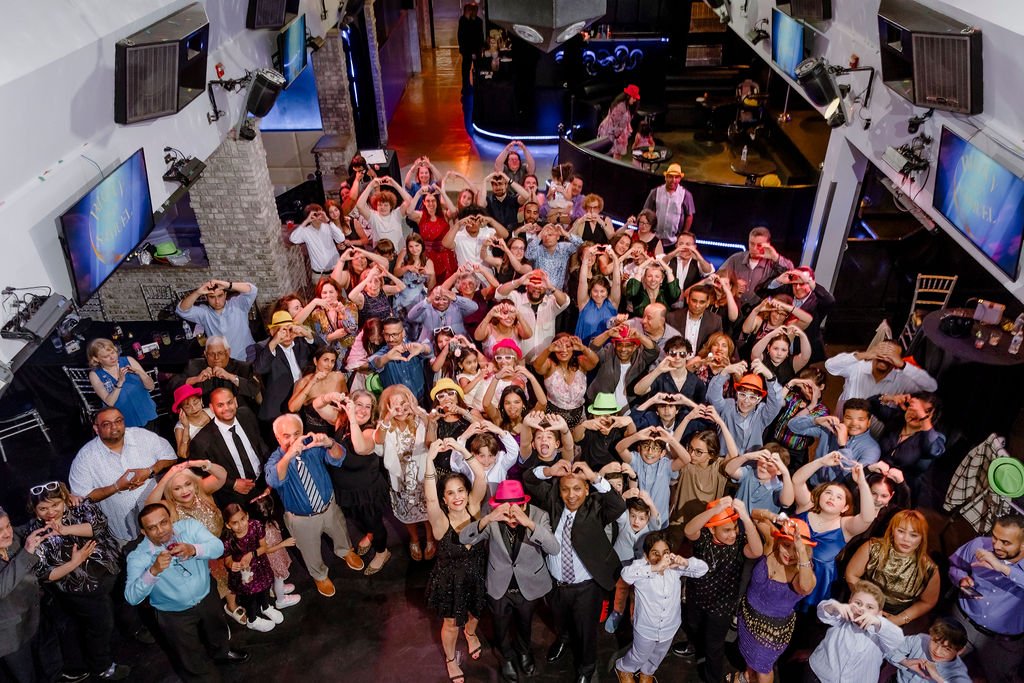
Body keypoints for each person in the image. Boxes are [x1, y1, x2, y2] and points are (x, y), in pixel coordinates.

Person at [523, 460, 626, 683]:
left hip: (586, 586)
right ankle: (564, 639)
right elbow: (529, 479)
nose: (571, 495)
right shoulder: (553, 501)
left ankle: (586, 668)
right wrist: (549, 471)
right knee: (560, 620)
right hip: (555, 583)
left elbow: (619, 506)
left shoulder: (596, 507)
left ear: (587, 489)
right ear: (558, 491)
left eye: (577, 488)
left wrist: (595, 477)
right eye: (565, 489)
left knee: (586, 631)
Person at [125, 503, 248, 681]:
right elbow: (131, 597)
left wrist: (194, 549)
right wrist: (153, 572)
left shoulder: (189, 527)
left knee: (217, 631)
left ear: (171, 520)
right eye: (152, 528)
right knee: (189, 654)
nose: (160, 530)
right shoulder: (138, 556)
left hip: (207, 596)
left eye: (164, 522)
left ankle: (222, 653)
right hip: (174, 613)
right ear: (144, 532)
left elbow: (218, 547)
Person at [23, 482, 129, 681]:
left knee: (120, 609)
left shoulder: (79, 506)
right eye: (43, 508)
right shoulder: (35, 534)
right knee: (101, 627)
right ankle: (102, 666)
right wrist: (75, 562)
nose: (50, 512)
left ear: (63, 500)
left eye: (55, 505)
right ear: (34, 510)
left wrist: (64, 529)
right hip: (81, 590)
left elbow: (98, 526)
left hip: (111, 570)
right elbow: (45, 574)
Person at [460, 479, 558, 682]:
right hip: (499, 584)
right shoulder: (492, 515)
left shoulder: (539, 515)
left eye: (516, 510)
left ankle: (523, 652)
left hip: (528, 584)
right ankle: (506, 657)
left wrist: (529, 523)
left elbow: (553, 548)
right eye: (506, 511)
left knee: (525, 623)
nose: (511, 517)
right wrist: (487, 519)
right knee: (500, 625)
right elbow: (465, 538)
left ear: (524, 504)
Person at [265, 414, 364, 598]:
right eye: (286, 436)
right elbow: (273, 479)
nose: (293, 440)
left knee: (341, 532)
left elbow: (338, 459)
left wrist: (330, 444)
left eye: (297, 434)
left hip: (329, 507)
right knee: (310, 551)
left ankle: (345, 551)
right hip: (302, 520)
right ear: (278, 438)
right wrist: (289, 455)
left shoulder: (312, 445)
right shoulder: (275, 460)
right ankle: (320, 575)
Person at [144, 460, 244, 626]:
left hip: (224, 544)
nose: (184, 491)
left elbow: (222, 475)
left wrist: (200, 463)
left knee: (234, 581)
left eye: (187, 484)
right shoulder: (170, 508)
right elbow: (149, 505)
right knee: (214, 593)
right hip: (201, 558)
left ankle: (232, 606)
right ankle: (220, 620)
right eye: (177, 488)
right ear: (170, 491)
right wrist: (169, 474)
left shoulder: (202, 491)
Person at [423, 442, 489, 683]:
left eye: (461, 490)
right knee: (451, 623)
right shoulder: (440, 522)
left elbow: (480, 475)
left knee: (476, 612)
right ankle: (451, 659)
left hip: (478, 574)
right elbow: (430, 499)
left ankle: (470, 633)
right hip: (451, 580)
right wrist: (430, 459)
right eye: (451, 493)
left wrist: (462, 449)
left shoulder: (474, 508)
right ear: (444, 498)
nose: (457, 496)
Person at [680, 498, 762, 682]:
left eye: (734, 528)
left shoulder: (739, 543)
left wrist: (746, 519)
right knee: (693, 626)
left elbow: (757, 551)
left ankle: (713, 678)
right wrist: (715, 509)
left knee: (714, 646)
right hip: (696, 597)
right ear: (711, 528)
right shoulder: (703, 538)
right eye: (726, 530)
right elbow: (688, 530)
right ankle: (695, 648)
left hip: (722, 605)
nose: (732, 534)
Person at [68, 407, 177, 543]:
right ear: (96, 429)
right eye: (106, 424)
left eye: (118, 421)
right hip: (126, 530)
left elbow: (170, 456)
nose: (114, 427)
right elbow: (82, 497)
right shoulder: (85, 458)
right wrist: (116, 487)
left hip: (161, 521)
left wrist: (150, 470)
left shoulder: (142, 436)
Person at [613, 532, 709, 683]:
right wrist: (655, 568)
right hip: (646, 627)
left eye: (665, 553)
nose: (660, 557)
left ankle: (647, 673)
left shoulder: (675, 568)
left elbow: (703, 569)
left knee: (658, 655)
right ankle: (624, 668)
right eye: (655, 553)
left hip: (670, 626)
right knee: (640, 654)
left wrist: (685, 562)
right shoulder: (641, 567)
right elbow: (626, 575)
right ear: (646, 555)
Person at [789, 455, 878, 609]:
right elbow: (797, 481)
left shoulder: (845, 526)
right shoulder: (806, 506)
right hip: (788, 568)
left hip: (817, 583)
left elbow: (868, 517)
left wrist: (862, 482)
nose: (832, 498)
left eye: (839, 497)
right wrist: (821, 461)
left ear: (844, 508)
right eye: (828, 493)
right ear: (820, 496)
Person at [736, 516, 817, 683]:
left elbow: (807, 587)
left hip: (770, 633)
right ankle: (748, 676)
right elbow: (756, 515)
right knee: (750, 658)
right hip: (747, 618)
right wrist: (774, 518)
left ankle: (752, 676)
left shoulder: (801, 572)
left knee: (764, 669)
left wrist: (802, 552)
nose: (790, 553)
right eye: (787, 546)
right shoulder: (771, 546)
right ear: (779, 541)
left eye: (797, 549)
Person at [948, 513, 1024, 682]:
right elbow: (955, 565)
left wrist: (1003, 568)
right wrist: (961, 578)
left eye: (1006, 542)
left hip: (1002, 645)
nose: (996, 545)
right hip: (963, 623)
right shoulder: (979, 544)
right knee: (936, 668)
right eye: (995, 537)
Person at [326, 391, 393, 575]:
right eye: (359, 404)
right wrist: (329, 398)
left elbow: (360, 448)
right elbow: (317, 406)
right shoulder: (342, 421)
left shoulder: (371, 431)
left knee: (374, 521)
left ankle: (382, 552)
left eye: (367, 406)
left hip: (367, 491)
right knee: (359, 519)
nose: (362, 410)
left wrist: (353, 418)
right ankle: (369, 534)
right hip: (347, 490)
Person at [844, 510, 939, 629]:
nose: (906, 539)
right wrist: (864, 603)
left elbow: (928, 602)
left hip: (891, 621)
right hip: (861, 610)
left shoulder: (929, 568)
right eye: (901, 531)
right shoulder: (873, 547)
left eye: (913, 535)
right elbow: (851, 574)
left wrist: (900, 619)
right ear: (892, 530)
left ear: (922, 538)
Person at [0, 508, 58, 683]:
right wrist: (26, 552)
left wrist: (48, 512)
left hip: (33, 618)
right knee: (25, 677)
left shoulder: (13, 537)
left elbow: (29, 527)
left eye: (8, 526)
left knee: (46, 667)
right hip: (10, 638)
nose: (6, 533)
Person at [376, 385, 432, 561]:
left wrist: (419, 413)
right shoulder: (385, 424)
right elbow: (378, 445)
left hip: (422, 477)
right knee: (407, 514)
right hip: (400, 480)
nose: (399, 409)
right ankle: (414, 539)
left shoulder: (421, 418)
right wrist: (386, 420)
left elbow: (433, 438)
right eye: (394, 405)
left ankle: (430, 539)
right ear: (387, 407)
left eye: (403, 403)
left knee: (428, 512)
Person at [189, 387, 270, 509]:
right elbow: (200, 476)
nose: (227, 408)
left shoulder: (246, 415)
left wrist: (270, 473)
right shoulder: (201, 441)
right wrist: (232, 484)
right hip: (235, 497)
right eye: (220, 405)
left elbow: (260, 443)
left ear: (235, 402)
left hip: (264, 482)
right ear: (212, 408)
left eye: (229, 402)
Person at [808, 582, 905, 683]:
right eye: (858, 603)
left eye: (870, 607)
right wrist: (835, 606)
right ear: (850, 602)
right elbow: (823, 610)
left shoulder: (881, 634)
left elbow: (897, 640)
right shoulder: (841, 619)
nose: (862, 609)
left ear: (879, 613)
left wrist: (878, 623)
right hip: (818, 676)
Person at [221, 503, 294, 633]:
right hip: (246, 575)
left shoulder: (255, 525)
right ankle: (252, 620)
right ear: (228, 525)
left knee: (265, 588)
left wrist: (252, 554)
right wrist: (232, 565)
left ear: (247, 516)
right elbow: (227, 560)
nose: (241, 525)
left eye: (243, 519)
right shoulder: (227, 540)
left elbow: (264, 547)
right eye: (235, 523)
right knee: (250, 598)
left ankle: (266, 607)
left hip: (261, 566)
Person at [825, 340, 938, 415]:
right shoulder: (858, 367)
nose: (885, 358)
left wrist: (903, 366)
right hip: (842, 420)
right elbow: (830, 366)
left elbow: (931, 387)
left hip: (874, 434)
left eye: (891, 356)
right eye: (881, 353)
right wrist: (864, 355)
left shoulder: (901, 379)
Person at [787, 398, 881, 485]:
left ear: (869, 421)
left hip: (838, 496)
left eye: (861, 419)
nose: (854, 423)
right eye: (849, 418)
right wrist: (816, 420)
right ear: (843, 417)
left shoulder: (872, 448)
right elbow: (793, 426)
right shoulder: (831, 429)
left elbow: (853, 478)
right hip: (812, 484)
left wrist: (843, 446)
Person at [756, 266, 834, 362]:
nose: (797, 288)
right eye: (795, 284)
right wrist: (778, 281)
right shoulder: (787, 293)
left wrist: (811, 283)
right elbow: (759, 292)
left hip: (806, 353)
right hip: (779, 352)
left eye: (802, 284)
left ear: (811, 282)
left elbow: (830, 301)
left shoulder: (817, 301)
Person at [253, 311, 316, 424]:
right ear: (272, 332)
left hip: (305, 403)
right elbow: (259, 369)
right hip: (280, 410)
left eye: (289, 329)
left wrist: (308, 335)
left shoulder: (301, 342)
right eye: (282, 331)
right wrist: (275, 341)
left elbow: (326, 353)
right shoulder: (265, 348)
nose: (287, 334)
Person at [708, 361, 784, 453]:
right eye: (742, 395)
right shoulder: (727, 406)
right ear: (737, 394)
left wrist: (770, 377)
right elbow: (712, 396)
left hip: (749, 465)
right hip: (724, 462)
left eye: (752, 397)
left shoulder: (761, 414)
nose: (746, 401)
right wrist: (725, 372)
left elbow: (777, 402)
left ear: (759, 400)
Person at [495, 269, 570, 362]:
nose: (537, 289)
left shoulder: (551, 302)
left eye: (541, 286)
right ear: (527, 286)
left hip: (545, 362)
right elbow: (499, 294)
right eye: (533, 285)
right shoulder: (517, 299)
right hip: (521, 362)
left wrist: (551, 287)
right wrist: (518, 282)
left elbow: (565, 302)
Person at [176, 280, 258, 362]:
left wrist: (228, 285)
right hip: (223, 360)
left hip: (248, 354)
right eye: (212, 297)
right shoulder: (204, 313)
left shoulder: (238, 304)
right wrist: (198, 292)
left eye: (220, 296)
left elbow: (252, 290)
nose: (217, 301)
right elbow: (181, 310)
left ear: (225, 295)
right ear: (206, 297)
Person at [86, 338, 157, 429]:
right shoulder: (95, 375)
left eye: (113, 352)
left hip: (145, 411)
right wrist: (119, 383)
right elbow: (110, 402)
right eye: (106, 356)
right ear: (96, 359)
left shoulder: (128, 360)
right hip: (123, 420)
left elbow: (151, 386)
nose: (112, 357)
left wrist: (140, 373)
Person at [587, 326, 660, 413]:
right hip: (604, 411)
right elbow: (593, 347)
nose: (623, 349)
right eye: (620, 345)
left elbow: (654, 351)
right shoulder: (608, 353)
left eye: (628, 345)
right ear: (614, 345)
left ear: (635, 347)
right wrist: (607, 333)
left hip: (631, 411)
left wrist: (639, 336)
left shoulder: (641, 358)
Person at [532, 334, 598, 429]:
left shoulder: (580, 363)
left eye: (568, 346)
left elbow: (595, 361)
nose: (564, 350)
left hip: (578, 418)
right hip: (552, 418)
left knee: (579, 442)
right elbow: (537, 366)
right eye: (559, 347)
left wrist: (582, 348)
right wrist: (548, 350)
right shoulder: (550, 364)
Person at [718, 227, 795, 308]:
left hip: (758, 312)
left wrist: (775, 256)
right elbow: (718, 276)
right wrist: (733, 283)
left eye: (759, 245)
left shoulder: (773, 263)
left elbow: (791, 273)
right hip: (733, 308)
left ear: (768, 245)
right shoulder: (736, 258)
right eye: (751, 244)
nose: (754, 248)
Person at [179, 337, 260, 412]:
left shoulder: (243, 367)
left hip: (237, 414)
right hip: (206, 416)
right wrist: (196, 379)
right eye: (211, 354)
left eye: (220, 353)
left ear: (228, 352)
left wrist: (231, 377)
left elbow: (254, 390)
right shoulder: (194, 365)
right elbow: (172, 385)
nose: (216, 358)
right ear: (205, 354)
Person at [370, 317, 433, 405]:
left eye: (395, 334)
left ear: (403, 332)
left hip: (421, 400)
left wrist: (423, 348)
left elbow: (431, 349)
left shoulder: (413, 346)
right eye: (387, 335)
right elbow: (370, 364)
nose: (391, 339)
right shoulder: (383, 353)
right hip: (397, 405)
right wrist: (386, 358)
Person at [886, 618, 971, 683]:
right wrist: (904, 661)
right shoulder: (920, 639)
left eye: (947, 649)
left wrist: (938, 678)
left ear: (960, 651)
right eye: (935, 642)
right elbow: (888, 648)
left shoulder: (958, 671)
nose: (937, 651)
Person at [287, 346, 348, 434]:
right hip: (313, 432)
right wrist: (312, 382)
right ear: (315, 361)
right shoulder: (304, 382)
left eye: (332, 361)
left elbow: (346, 402)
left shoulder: (338, 377)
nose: (329, 365)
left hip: (336, 430)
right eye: (325, 360)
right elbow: (293, 408)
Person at [575, 246, 622, 346]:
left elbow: (617, 283)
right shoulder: (584, 303)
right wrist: (586, 259)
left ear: (607, 292)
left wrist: (614, 258)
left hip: (607, 353)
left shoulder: (612, 303)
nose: (599, 295)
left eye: (602, 291)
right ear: (590, 291)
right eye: (595, 291)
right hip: (585, 352)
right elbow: (582, 282)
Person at [642, 164, 695, 247]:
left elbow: (689, 216)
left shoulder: (686, 195)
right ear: (665, 177)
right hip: (654, 237)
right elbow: (646, 212)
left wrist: (683, 235)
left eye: (676, 177)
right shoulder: (655, 192)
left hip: (674, 240)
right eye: (670, 176)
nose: (673, 180)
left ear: (680, 179)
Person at [355, 175, 413, 251]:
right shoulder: (373, 216)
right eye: (380, 205)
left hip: (399, 255)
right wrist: (370, 186)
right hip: (381, 255)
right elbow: (359, 205)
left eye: (386, 205)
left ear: (391, 206)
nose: (382, 207)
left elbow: (409, 201)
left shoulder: (397, 214)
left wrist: (394, 184)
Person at [289, 203, 345, 276]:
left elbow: (341, 238)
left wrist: (328, 220)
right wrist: (306, 221)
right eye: (316, 214)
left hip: (335, 270)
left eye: (321, 213)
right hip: (319, 274)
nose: (320, 216)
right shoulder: (306, 231)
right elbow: (293, 239)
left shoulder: (329, 226)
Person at [524, 224, 583, 291]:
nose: (547, 237)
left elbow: (581, 245)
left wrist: (565, 233)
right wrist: (540, 235)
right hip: (539, 291)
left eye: (550, 235)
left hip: (558, 293)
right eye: (544, 235)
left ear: (557, 237)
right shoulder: (537, 249)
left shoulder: (564, 247)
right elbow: (528, 255)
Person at [597, 85, 639, 159]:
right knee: (611, 154)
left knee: (617, 154)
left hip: (618, 131)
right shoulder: (620, 106)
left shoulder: (628, 106)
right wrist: (617, 135)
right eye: (634, 98)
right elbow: (615, 124)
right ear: (628, 96)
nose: (635, 100)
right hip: (612, 131)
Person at [173, 384, 212, 459]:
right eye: (187, 407)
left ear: (201, 400)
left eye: (195, 403)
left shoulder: (212, 412)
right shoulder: (180, 427)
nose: (194, 408)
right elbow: (183, 454)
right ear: (181, 410)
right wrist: (186, 428)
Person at [457, 2, 483, 93]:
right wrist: (463, 49)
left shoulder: (478, 21)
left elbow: (479, 36)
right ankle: (465, 86)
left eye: (475, 10)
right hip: (467, 49)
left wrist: (480, 49)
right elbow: (461, 36)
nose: (473, 12)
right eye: (471, 10)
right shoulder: (463, 20)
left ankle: (478, 85)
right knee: (465, 69)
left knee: (478, 68)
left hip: (476, 49)